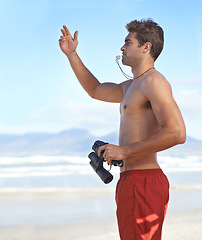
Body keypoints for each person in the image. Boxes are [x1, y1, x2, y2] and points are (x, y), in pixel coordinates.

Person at [59, 19, 186, 240]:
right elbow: (95, 90)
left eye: (128, 42)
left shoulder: (153, 82)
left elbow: (177, 132)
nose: (122, 47)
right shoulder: (132, 86)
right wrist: (72, 55)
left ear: (146, 47)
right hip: (130, 182)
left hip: (142, 181)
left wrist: (124, 151)